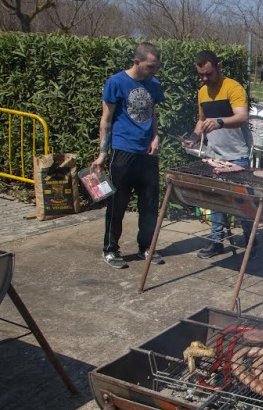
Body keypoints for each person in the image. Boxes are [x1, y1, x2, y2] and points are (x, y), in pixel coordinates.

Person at [92, 42, 165, 269]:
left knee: (149, 204)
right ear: (136, 62)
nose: (154, 71)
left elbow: (153, 114)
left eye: (156, 67)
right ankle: (111, 249)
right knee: (117, 204)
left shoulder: (154, 84)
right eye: (150, 67)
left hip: (147, 154)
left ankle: (146, 247)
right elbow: (106, 119)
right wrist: (103, 153)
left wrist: (156, 137)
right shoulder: (116, 82)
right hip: (123, 152)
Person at [188, 50, 255, 259]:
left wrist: (219, 122)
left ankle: (250, 240)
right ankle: (216, 241)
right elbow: (202, 119)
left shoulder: (233, 87)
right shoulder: (202, 92)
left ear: (219, 66)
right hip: (214, 154)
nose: (205, 79)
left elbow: (242, 117)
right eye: (201, 75)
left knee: (242, 202)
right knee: (215, 199)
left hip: (237, 154)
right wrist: (193, 136)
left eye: (208, 74)